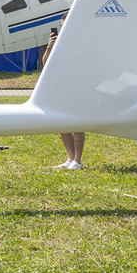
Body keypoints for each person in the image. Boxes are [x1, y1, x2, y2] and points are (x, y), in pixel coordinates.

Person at [40, 28, 86, 170]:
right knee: (62, 124)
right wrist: (50, 46)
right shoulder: (58, 43)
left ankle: (77, 161)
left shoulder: (79, 41)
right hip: (60, 88)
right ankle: (70, 158)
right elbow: (45, 63)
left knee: (77, 124)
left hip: (76, 86)